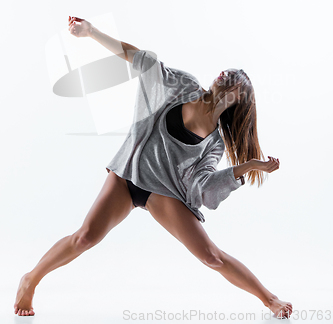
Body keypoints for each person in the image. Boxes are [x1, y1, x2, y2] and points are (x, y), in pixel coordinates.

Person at [14, 16, 293, 319]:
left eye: (235, 80)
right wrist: (91, 32)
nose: (225, 76)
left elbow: (203, 186)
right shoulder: (184, 85)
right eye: (226, 73)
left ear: (239, 98)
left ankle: (270, 299)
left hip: (161, 191)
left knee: (212, 256)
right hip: (129, 173)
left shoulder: (214, 144)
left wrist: (247, 167)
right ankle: (31, 278)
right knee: (85, 237)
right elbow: (144, 61)